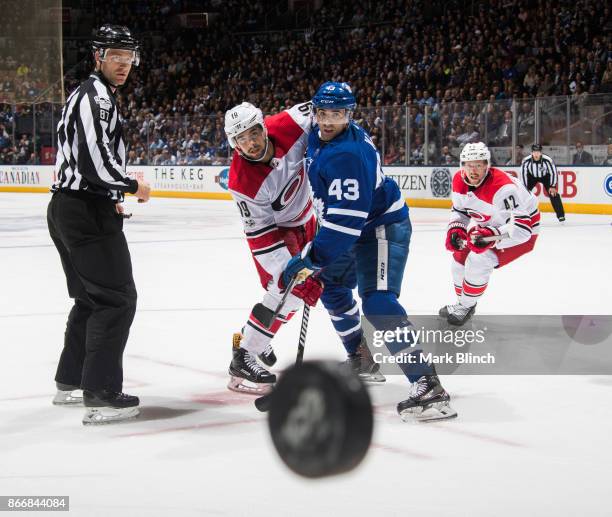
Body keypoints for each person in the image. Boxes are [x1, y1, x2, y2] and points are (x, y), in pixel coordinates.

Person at [281, 82, 456, 422]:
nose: (329, 121)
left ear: (349, 114)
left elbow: (346, 224)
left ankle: (426, 382)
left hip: (381, 225)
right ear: (314, 112)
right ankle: (361, 358)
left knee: (377, 301)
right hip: (355, 227)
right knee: (331, 286)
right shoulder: (319, 136)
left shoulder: (348, 154)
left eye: (337, 114)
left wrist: (310, 258)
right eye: (323, 113)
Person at [47, 24, 151, 425]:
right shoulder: (96, 98)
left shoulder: (96, 96)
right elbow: (93, 164)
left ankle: (70, 380)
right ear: (98, 57)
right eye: (116, 57)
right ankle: (101, 392)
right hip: (84, 211)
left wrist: (111, 195)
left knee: (90, 299)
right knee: (116, 299)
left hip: (72, 208)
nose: (124, 65)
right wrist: (130, 185)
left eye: (129, 58)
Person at [223, 101, 323, 394]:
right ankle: (244, 355)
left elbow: (326, 110)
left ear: (263, 126)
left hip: (307, 218)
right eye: (241, 139)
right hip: (277, 232)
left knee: (292, 297)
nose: (250, 143)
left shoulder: (291, 123)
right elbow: (263, 239)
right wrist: (295, 275)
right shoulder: (242, 182)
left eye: (254, 133)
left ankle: (253, 339)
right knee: (287, 290)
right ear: (234, 143)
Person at [440, 142, 540, 325]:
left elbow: (522, 230)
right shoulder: (458, 181)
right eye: (469, 165)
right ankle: (464, 304)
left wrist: (491, 237)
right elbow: (460, 211)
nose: (474, 170)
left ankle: (466, 305)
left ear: (487, 165)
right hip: (492, 223)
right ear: (462, 166)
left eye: (479, 164)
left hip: (522, 232)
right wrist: (456, 228)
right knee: (459, 258)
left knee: (479, 260)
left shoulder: (504, 189)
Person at [520, 143, 565, 222]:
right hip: (531, 177)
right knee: (523, 195)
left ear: (541, 153)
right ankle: (521, 214)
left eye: (538, 152)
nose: (536, 154)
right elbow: (523, 174)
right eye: (534, 152)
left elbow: (553, 172)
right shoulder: (526, 161)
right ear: (531, 153)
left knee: (553, 194)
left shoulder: (547, 160)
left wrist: (553, 186)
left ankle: (561, 216)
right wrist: (524, 188)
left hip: (545, 177)